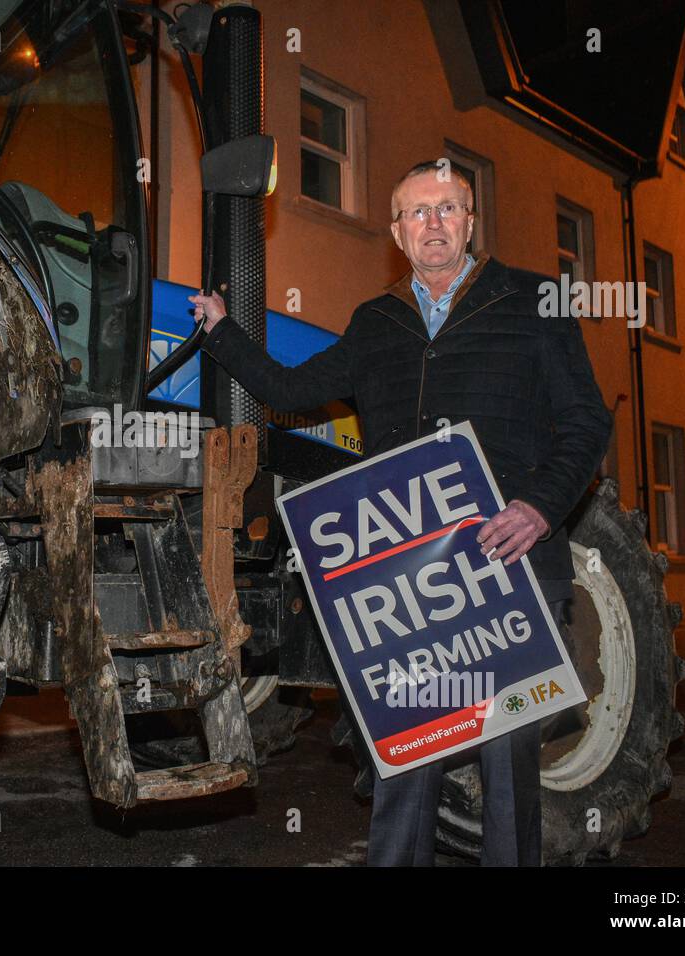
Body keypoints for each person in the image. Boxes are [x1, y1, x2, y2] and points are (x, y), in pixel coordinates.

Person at [189, 160, 612, 866]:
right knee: (404, 758)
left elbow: (585, 422)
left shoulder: (534, 300)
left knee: (508, 766)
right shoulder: (377, 321)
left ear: (471, 222)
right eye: (418, 213)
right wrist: (223, 332)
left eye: (448, 209)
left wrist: (540, 508)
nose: (434, 224)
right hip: (409, 589)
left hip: (509, 567)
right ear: (397, 232)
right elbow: (293, 390)